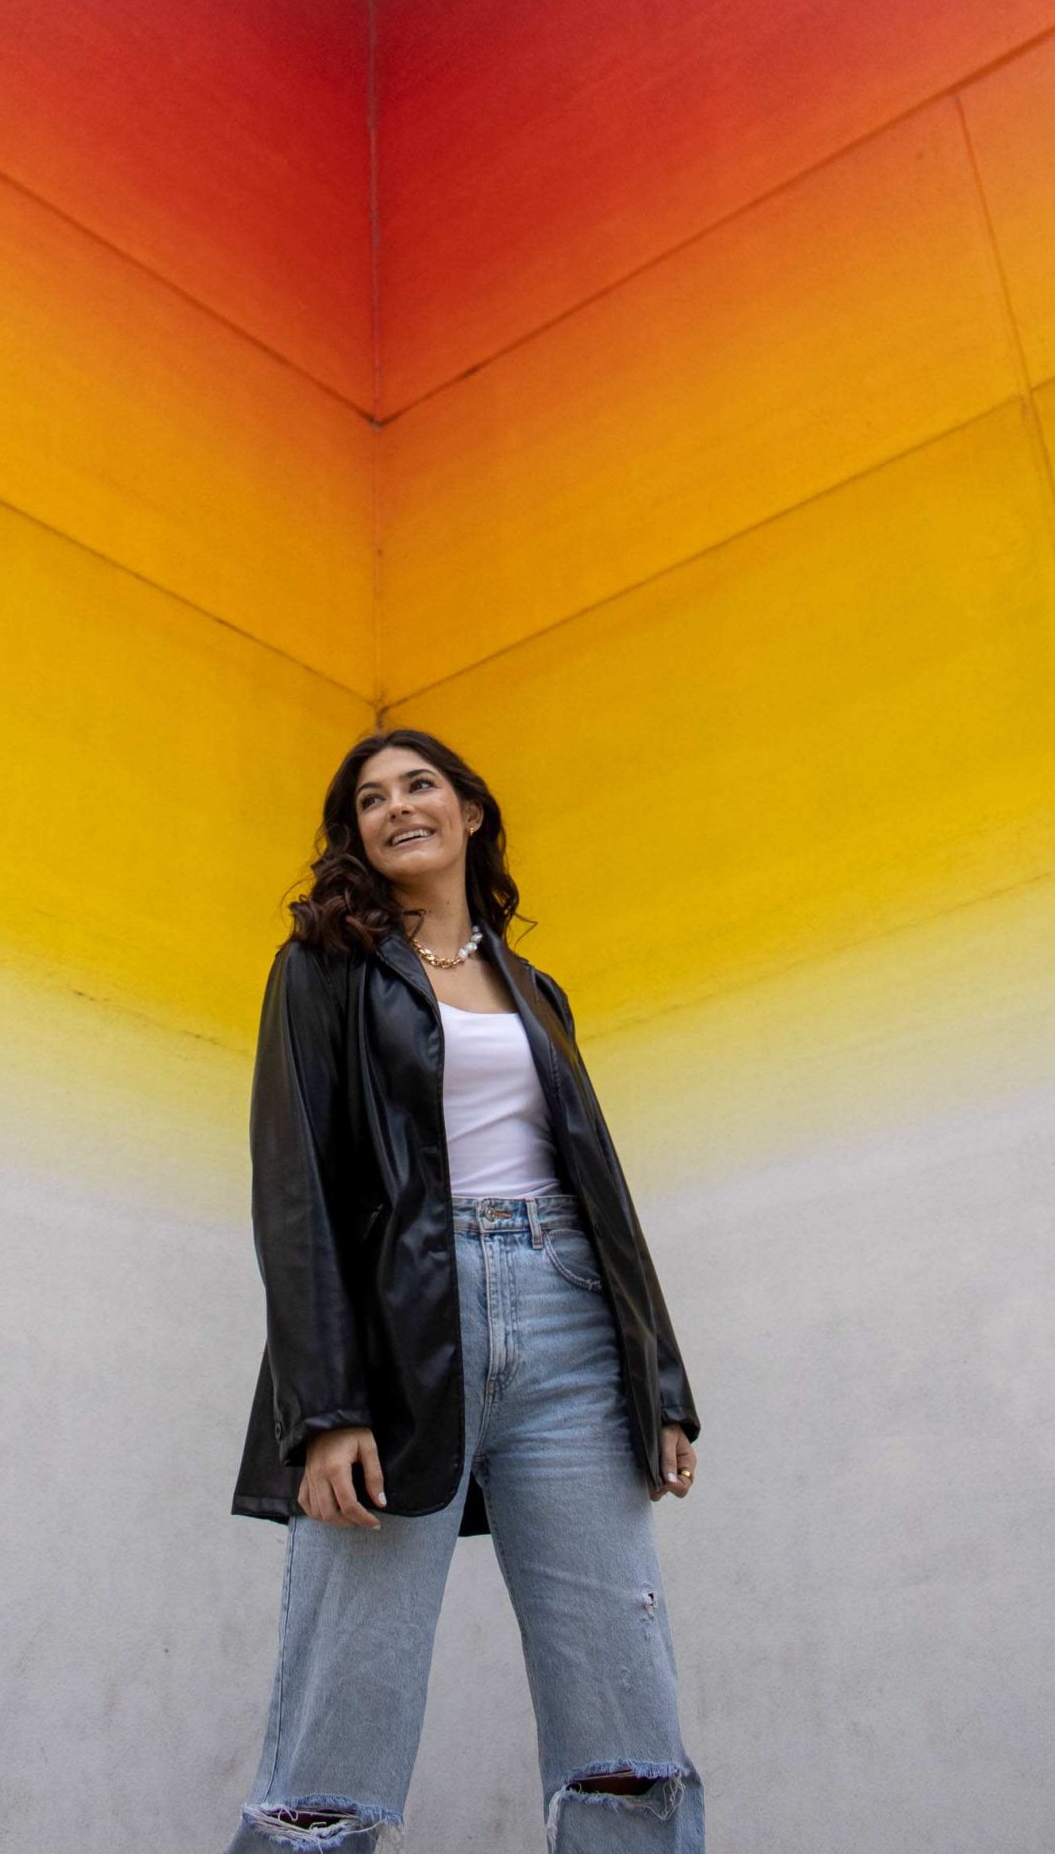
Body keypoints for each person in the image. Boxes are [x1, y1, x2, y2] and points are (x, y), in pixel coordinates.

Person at [222, 727, 706, 1852]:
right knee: (336, 1737)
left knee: (625, 1723)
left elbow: (600, 1186)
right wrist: (325, 1407)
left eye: (421, 784)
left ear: (471, 810)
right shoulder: (321, 970)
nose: (399, 807)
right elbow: (295, 1191)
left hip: (570, 1325)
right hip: (399, 1344)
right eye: (372, 798)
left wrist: (662, 1381)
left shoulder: (538, 992)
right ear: (355, 833)